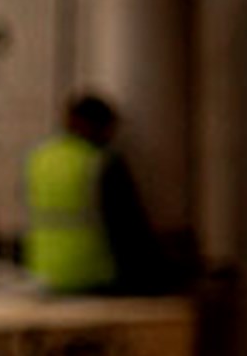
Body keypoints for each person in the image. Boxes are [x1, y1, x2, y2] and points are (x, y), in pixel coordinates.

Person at [21, 93, 173, 296]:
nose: (111, 136)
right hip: (94, 276)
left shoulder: (39, 158)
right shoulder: (100, 162)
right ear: (94, 125)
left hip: (45, 276)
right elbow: (130, 229)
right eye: (109, 129)